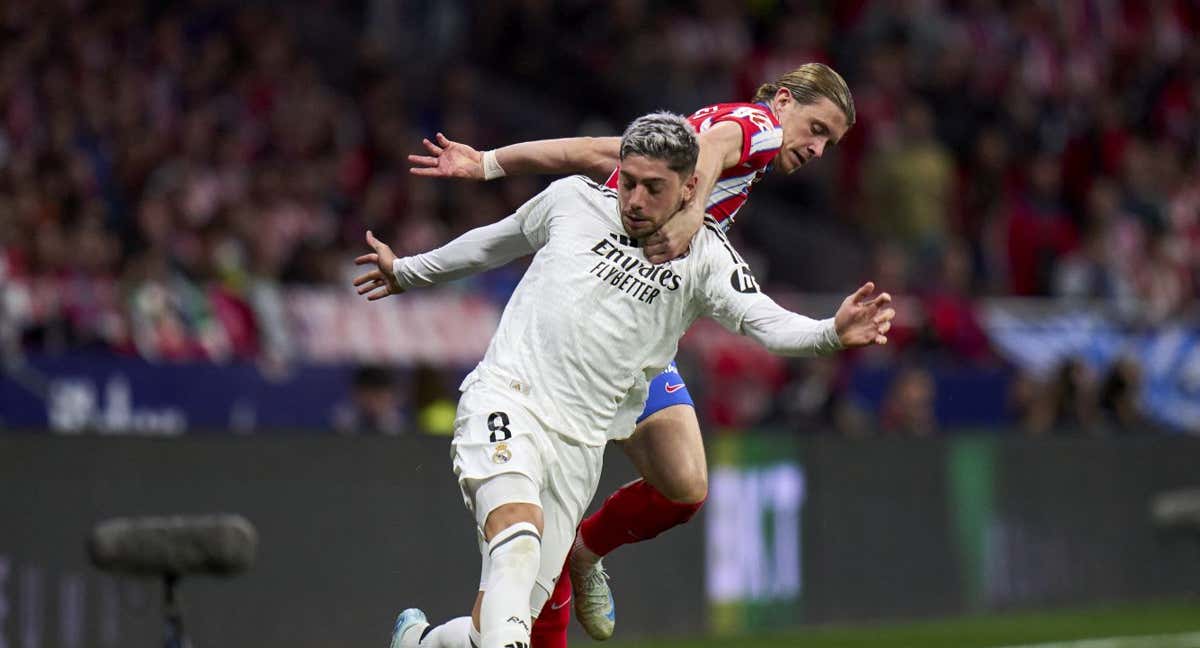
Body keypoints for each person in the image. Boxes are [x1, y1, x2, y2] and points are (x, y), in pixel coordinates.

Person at [356, 112, 892, 648]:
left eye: (652, 188)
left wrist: (831, 332)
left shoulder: (704, 258)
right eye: (628, 181)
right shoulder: (573, 202)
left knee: (492, 628)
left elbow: (766, 321)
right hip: (508, 401)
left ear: (689, 187)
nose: (633, 199)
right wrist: (407, 272)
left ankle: (423, 643)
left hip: (581, 446)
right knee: (516, 542)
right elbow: (494, 243)